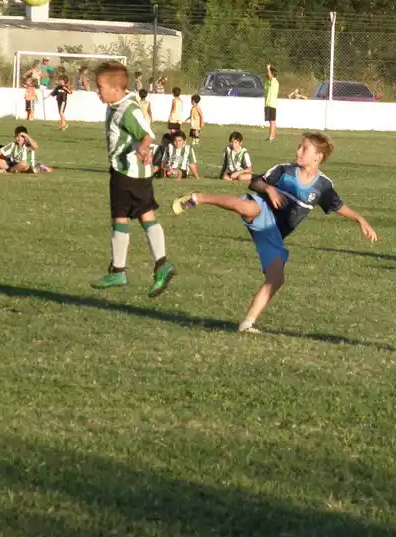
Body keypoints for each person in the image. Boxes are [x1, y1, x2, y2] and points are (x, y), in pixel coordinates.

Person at [171, 132, 378, 333]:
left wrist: (360, 219)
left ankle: (248, 323)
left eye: (304, 148)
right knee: (250, 208)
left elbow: (337, 205)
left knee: (276, 278)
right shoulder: (284, 170)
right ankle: (198, 198)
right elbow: (255, 181)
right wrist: (269, 189)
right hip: (263, 210)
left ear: (318, 157)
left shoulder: (323, 186)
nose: (298, 150)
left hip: (273, 233)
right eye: (300, 146)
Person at [90, 61, 176, 296]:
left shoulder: (127, 109)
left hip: (128, 173)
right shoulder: (116, 103)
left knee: (124, 217)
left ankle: (123, 270)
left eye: (100, 86)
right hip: (129, 172)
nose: (97, 90)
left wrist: (144, 148)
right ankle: (157, 264)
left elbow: (147, 133)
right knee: (139, 216)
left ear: (116, 89)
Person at [264, 63, 279, 141]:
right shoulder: (269, 82)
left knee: (272, 121)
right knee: (271, 121)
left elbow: (270, 77)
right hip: (268, 104)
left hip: (271, 104)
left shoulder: (274, 81)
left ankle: (271, 137)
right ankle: (272, 135)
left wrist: (268, 68)